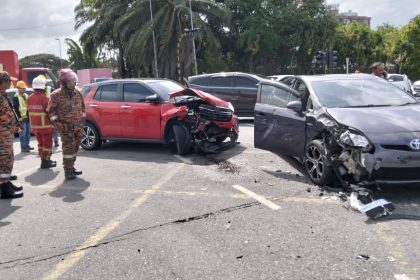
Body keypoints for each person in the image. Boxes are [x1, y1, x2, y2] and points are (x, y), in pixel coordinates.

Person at [48, 69, 85, 180]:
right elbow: (51, 113)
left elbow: (83, 108)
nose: (73, 83)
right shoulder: (56, 95)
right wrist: (59, 125)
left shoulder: (78, 93)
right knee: (68, 150)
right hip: (66, 128)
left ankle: (72, 166)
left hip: (78, 127)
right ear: (63, 82)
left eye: (74, 81)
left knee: (75, 149)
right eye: (70, 82)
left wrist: (82, 121)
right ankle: (68, 171)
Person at [0, 71, 23, 199]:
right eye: (8, 81)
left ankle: (7, 183)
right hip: (2, 135)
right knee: (4, 160)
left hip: (6, 133)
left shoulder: (2, 95)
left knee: (9, 158)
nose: (10, 83)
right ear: (2, 82)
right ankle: (4, 189)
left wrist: (14, 125)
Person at [27, 76, 57, 169]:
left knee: (40, 144)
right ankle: (46, 162)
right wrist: (56, 123)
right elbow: (50, 112)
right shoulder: (45, 98)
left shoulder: (29, 98)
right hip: (45, 126)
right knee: (47, 144)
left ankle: (43, 160)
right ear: (43, 86)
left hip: (35, 127)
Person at [38, 75, 59, 147]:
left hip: (51, 110)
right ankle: (48, 142)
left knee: (53, 126)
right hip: (44, 111)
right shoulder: (39, 90)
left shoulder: (50, 89)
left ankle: (55, 141)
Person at [13, 80, 34, 152]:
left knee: (28, 132)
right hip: (21, 118)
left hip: (27, 117)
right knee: (23, 133)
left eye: (24, 88)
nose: (24, 89)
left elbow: (27, 106)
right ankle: (23, 147)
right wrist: (19, 118)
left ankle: (27, 145)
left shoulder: (26, 95)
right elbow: (16, 108)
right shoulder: (16, 96)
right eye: (22, 88)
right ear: (18, 88)